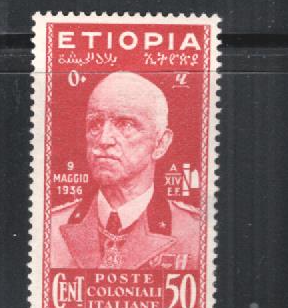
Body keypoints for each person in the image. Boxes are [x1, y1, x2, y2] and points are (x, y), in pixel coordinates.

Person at [50, 71, 203, 271]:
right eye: (95, 124)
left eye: (125, 125)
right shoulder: (51, 228)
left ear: (161, 143)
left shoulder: (195, 233)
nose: (104, 139)